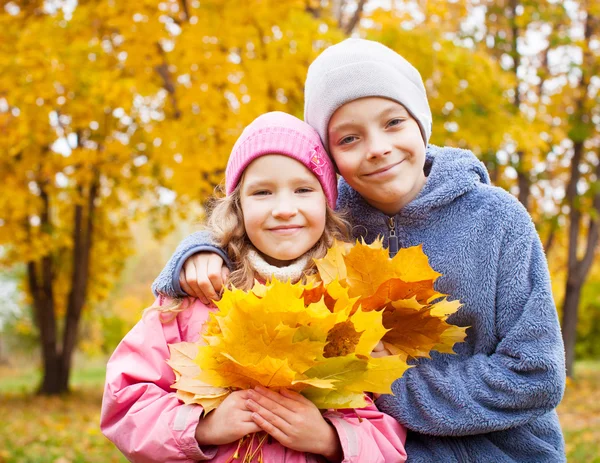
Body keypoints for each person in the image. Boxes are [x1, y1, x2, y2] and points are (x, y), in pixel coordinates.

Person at [151, 39, 567, 462]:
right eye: (349, 138)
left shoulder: (497, 219)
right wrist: (200, 251)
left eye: (393, 123)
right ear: (328, 159)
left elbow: (536, 374)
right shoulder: (331, 215)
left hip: (508, 452)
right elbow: (256, 225)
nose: (377, 148)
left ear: (420, 123)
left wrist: (393, 383)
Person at [100, 111, 408, 463]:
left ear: (326, 204)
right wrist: (203, 427)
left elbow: (392, 434)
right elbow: (126, 401)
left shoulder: (352, 305)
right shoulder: (197, 295)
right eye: (262, 192)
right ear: (238, 206)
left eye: (303, 190)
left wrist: (329, 439)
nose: (283, 209)